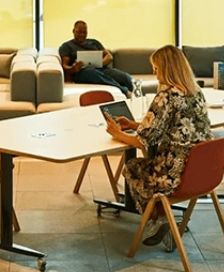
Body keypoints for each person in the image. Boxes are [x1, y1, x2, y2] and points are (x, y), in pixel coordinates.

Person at [104, 45, 212, 247]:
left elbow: (143, 140)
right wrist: (133, 124)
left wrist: (118, 133)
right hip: (200, 173)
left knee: (133, 167)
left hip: (174, 176)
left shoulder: (166, 96)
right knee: (147, 162)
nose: (155, 74)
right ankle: (164, 220)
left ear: (166, 69)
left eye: (156, 68)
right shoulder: (196, 92)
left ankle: (159, 219)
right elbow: (167, 126)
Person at [58, 20, 134, 97]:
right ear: (73, 31)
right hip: (82, 72)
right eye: (79, 32)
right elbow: (65, 65)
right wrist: (73, 68)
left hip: (101, 69)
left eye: (84, 32)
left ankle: (135, 95)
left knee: (125, 77)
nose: (82, 35)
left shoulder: (94, 42)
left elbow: (109, 56)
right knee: (92, 73)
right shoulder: (67, 46)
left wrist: (100, 63)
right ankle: (124, 91)